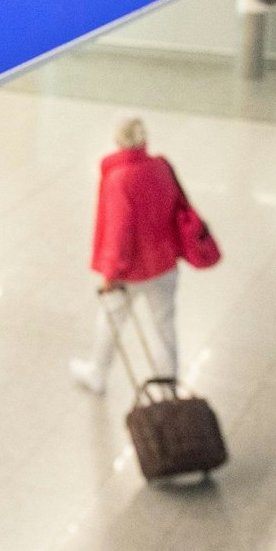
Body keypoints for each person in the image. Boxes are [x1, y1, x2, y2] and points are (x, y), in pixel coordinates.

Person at [71, 117, 184, 395]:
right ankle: (168, 388)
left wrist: (111, 274)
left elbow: (118, 232)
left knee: (110, 320)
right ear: (144, 140)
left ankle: (97, 372)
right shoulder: (161, 167)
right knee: (164, 328)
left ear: (118, 141)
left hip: (130, 271)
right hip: (165, 264)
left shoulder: (118, 178)